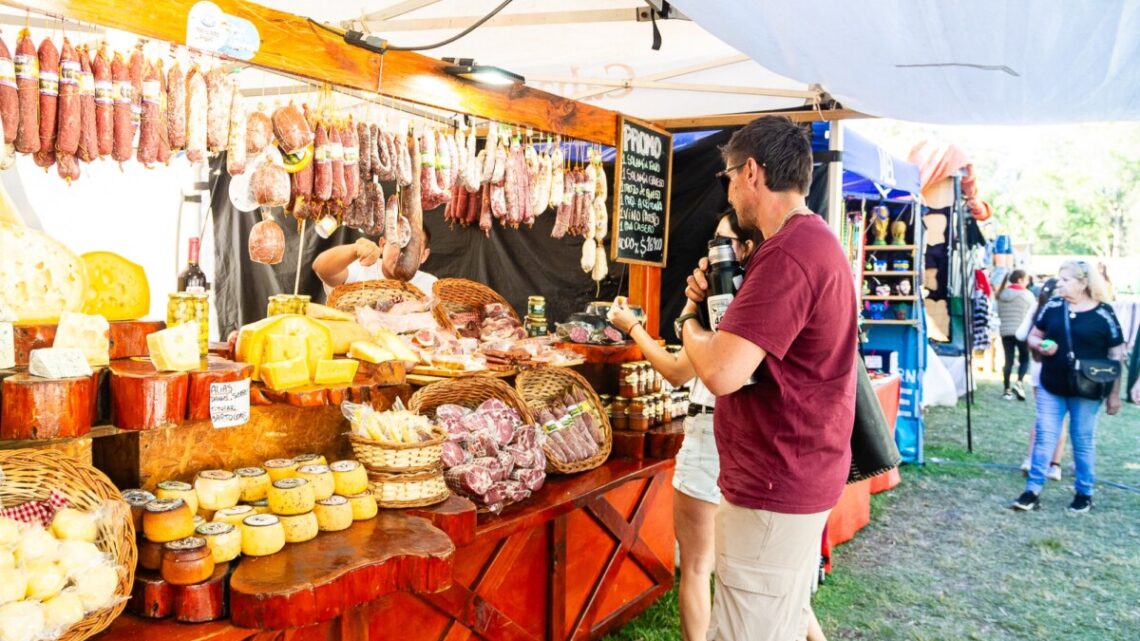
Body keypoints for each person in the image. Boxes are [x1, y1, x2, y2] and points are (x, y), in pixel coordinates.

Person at [677, 116, 857, 641]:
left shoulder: (787, 253)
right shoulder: (813, 241)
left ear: (752, 172)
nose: (730, 191)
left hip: (776, 481)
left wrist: (689, 319)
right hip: (798, 471)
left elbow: (721, 373)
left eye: (729, 177)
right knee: (786, 616)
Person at [609, 210, 764, 641]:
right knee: (761, 572)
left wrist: (636, 327)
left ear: (746, 248)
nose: (710, 252)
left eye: (721, 241)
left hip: (711, 436)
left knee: (697, 567)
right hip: (750, 441)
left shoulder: (723, 301)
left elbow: (678, 371)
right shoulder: (764, 297)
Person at [1011, 260, 1125, 513]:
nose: (1058, 284)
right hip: (1052, 385)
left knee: (1082, 440)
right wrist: (1040, 346)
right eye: (1059, 279)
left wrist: (1114, 394)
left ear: (1083, 283)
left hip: (1088, 389)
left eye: (1065, 280)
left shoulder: (1104, 313)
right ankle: (1033, 491)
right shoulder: (1052, 306)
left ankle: (1084, 492)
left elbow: (1116, 354)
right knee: (1045, 437)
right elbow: (1034, 335)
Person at [1016, 278, 1067, 481]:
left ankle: (1030, 459)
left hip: (1038, 366)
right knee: (1059, 420)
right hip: (1059, 367)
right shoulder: (1066, 309)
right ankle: (1055, 464)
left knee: (1043, 416)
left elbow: (1021, 334)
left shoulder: (1039, 308)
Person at [312, 227, 437, 296]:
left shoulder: (430, 285)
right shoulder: (361, 267)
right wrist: (354, 249)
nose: (403, 253)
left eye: (413, 247)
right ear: (383, 244)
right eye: (396, 243)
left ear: (424, 255)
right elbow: (321, 268)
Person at [996, 269, 1035, 400]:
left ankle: (1006, 389)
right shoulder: (1027, 295)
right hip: (1022, 332)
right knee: (1024, 358)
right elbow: (1033, 314)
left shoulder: (1001, 294)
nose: (1028, 282)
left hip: (1006, 331)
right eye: (1026, 280)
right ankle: (1019, 382)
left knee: (1008, 360)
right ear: (1020, 280)